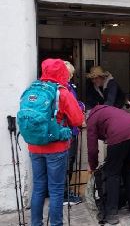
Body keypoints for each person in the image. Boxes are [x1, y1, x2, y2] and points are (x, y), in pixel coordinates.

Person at [29, 59, 84, 226]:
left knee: (38, 188)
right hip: (56, 148)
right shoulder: (62, 92)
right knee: (56, 189)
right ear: (61, 72)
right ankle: (56, 224)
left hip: (34, 146)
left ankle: (36, 223)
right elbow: (77, 119)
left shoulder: (32, 90)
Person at [87, 105, 130, 225]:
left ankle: (111, 213)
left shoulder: (92, 118)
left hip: (120, 134)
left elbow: (92, 149)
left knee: (112, 173)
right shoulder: (111, 110)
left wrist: (92, 166)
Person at [63, 61, 85, 205]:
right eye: (69, 73)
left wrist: (80, 105)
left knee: (68, 161)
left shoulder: (67, 87)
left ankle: (64, 191)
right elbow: (72, 107)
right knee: (67, 162)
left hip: (70, 129)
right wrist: (80, 106)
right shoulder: (64, 89)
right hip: (69, 130)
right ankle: (65, 194)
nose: (71, 76)